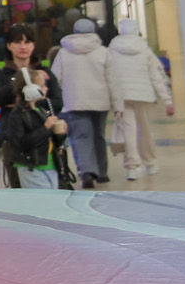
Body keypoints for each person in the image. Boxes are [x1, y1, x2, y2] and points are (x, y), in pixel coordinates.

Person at [0, 23, 64, 188]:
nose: (23, 46)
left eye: (27, 42)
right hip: (14, 139)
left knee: (52, 189)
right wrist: (22, 78)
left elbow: (57, 102)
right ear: (9, 46)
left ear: (33, 45)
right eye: (18, 42)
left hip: (44, 139)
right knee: (18, 188)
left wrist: (24, 102)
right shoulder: (2, 75)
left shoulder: (45, 73)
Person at [108, 18, 176, 180]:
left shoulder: (112, 48)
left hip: (122, 96)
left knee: (128, 130)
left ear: (121, 32)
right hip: (144, 96)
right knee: (145, 130)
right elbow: (157, 76)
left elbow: (108, 74)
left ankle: (131, 167)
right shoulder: (144, 49)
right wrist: (167, 100)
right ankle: (150, 163)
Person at [52, 17, 113, 188]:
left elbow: (55, 79)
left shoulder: (63, 53)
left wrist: (57, 101)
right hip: (100, 101)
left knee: (80, 136)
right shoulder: (104, 52)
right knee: (99, 136)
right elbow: (112, 80)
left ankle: (86, 172)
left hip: (74, 101)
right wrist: (118, 103)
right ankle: (102, 173)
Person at [3, 69, 70, 190]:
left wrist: (59, 134)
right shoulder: (17, 114)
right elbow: (22, 143)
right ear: (31, 90)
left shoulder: (42, 111)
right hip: (32, 168)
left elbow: (50, 141)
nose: (46, 89)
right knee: (41, 200)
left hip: (50, 165)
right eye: (42, 86)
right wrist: (45, 128)